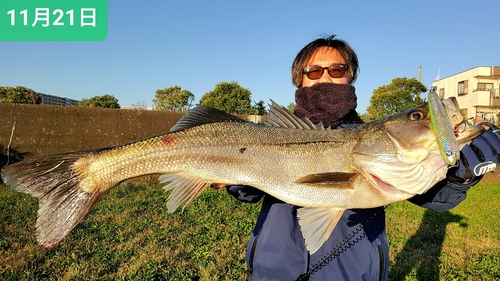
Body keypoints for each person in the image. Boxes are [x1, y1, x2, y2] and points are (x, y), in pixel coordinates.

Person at [227, 34, 500, 281]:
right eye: (313, 71)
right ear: (299, 79)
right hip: (275, 270)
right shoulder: (271, 133)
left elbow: (436, 197)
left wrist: (457, 175)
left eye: (337, 70)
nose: (325, 78)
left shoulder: (368, 137)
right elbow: (246, 192)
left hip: (353, 273)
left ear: (350, 76)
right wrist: (235, 178)